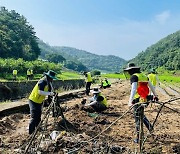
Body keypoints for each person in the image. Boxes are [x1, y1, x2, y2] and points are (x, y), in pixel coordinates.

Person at [124, 63, 159, 143]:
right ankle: (150, 127)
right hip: (146, 99)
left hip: (138, 100)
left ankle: (139, 137)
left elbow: (133, 89)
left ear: (131, 70)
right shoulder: (144, 76)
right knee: (141, 115)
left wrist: (130, 102)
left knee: (137, 118)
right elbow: (151, 86)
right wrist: (155, 95)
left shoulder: (134, 76)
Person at [28, 70, 58, 134]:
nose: (52, 80)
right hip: (33, 100)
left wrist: (51, 100)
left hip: (39, 101)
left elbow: (50, 94)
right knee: (34, 117)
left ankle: (38, 128)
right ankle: (31, 132)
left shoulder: (49, 83)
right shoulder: (42, 82)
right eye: (51, 78)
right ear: (48, 77)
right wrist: (50, 93)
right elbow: (40, 92)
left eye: (52, 79)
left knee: (38, 116)